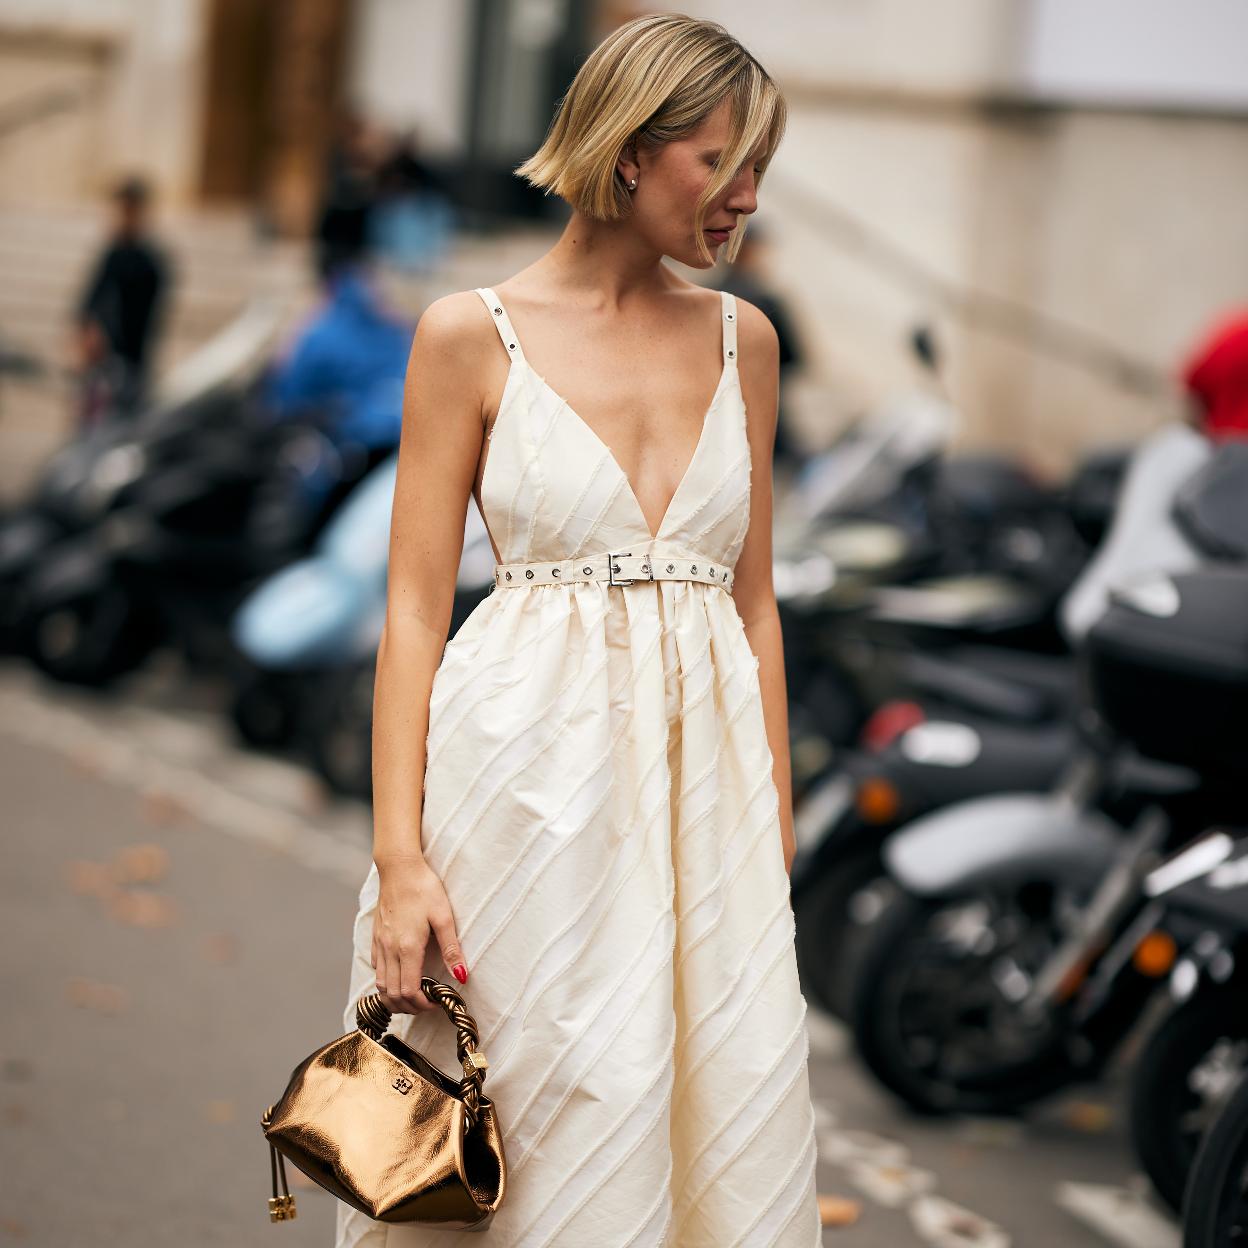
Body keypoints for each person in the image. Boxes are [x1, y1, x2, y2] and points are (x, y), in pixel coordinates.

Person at [334, 15, 852, 1246]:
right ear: (629, 153)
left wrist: (767, 834)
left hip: (701, 809)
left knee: (687, 1124)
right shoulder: (469, 333)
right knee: (527, 1119)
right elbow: (412, 610)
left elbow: (753, 603)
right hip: (515, 798)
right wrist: (402, 863)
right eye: (722, 165)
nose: (747, 199)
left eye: (758, 169)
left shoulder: (747, 342)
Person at [72, 175, 171, 426]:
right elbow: (89, 304)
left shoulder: (148, 262)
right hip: (104, 365)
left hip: (129, 363)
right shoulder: (113, 254)